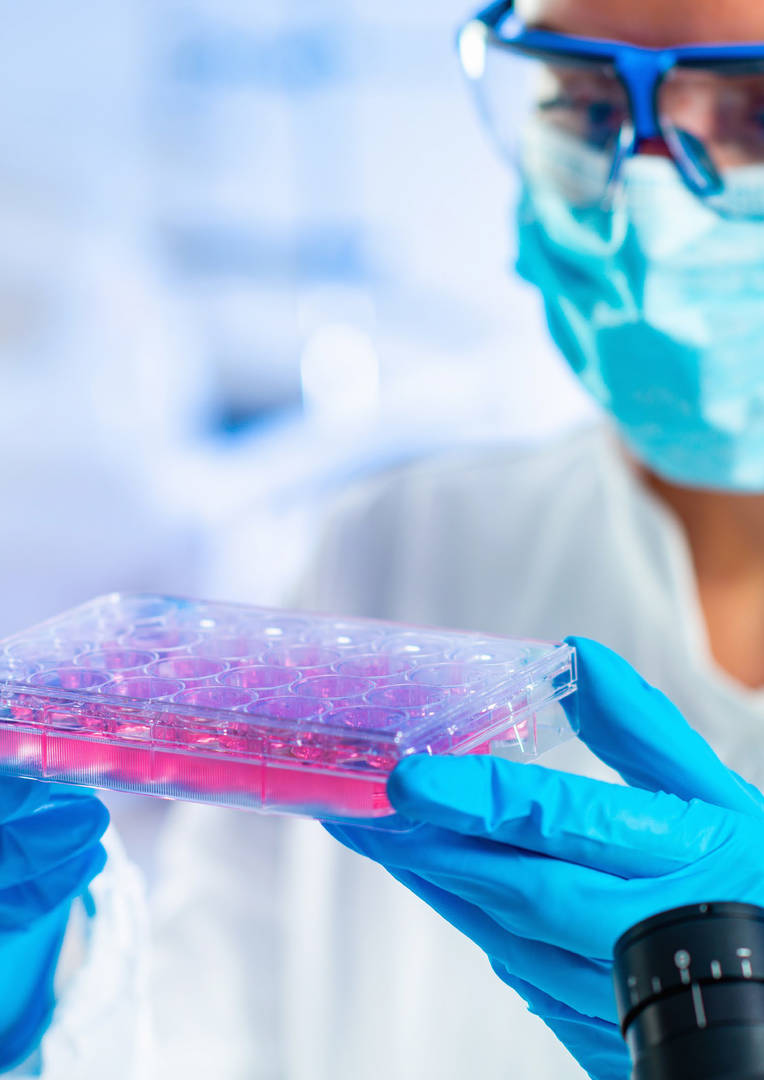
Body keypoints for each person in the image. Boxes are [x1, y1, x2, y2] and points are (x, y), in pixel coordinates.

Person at [11, 0, 764, 1076]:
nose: (643, 197)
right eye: (587, 103)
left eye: (754, 114)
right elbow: (207, 1033)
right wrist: (38, 992)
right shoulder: (404, 543)